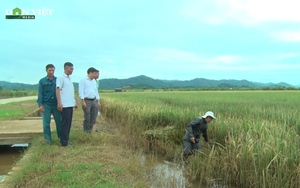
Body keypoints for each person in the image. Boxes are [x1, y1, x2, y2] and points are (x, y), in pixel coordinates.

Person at [37, 64, 62, 145]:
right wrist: (40, 104)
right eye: (49, 70)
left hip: (56, 104)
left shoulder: (58, 80)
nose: (51, 72)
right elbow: (40, 93)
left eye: (53, 70)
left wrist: (60, 103)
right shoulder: (42, 81)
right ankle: (48, 140)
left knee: (59, 122)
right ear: (46, 71)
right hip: (46, 104)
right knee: (46, 124)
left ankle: (61, 138)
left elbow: (61, 92)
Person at [56, 62, 77, 147]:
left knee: (68, 123)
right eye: (71, 69)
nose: (72, 71)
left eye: (73, 69)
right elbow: (57, 90)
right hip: (64, 105)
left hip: (70, 104)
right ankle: (64, 142)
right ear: (66, 68)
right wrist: (59, 103)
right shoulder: (61, 78)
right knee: (65, 124)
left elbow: (70, 92)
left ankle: (66, 140)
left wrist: (74, 102)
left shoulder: (69, 78)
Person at [78, 67, 100, 133]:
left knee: (94, 116)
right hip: (86, 100)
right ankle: (86, 131)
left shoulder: (94, 81)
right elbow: (81, 91)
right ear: (90, 73)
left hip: (94, 100)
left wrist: (98, 101)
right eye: (94, 73)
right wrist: (83, 101)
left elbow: (96, 91)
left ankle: (90, 130)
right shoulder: (83, 80)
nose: (95, 75)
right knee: (87, 116)